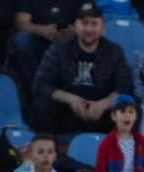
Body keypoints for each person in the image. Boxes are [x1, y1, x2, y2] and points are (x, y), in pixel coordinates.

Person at [34, 0, 131, 129]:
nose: (89, 28)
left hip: (101, 113)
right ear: (75, 25)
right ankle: (50, 148)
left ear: (102, 27)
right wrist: (70, 99)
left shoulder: (114, 51)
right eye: (84, 23)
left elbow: (125, 87)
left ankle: (118, 149)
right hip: (68, 111)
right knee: (41, 105)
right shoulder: (58, 49)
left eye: (94, 23)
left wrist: (102, 104)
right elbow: (41, 84)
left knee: (131, 109)